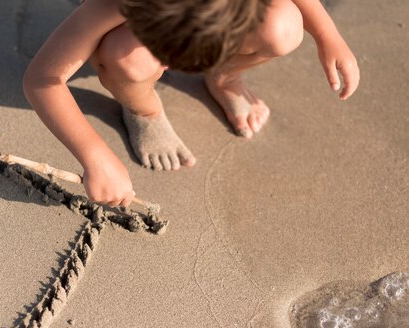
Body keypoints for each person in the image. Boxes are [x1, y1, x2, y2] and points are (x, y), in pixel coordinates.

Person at [22, 0, 359, 208]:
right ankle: (143, 108)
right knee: (129, 59)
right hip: (124, 27)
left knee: (284, 27)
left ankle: (224, 77)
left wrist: (329, 35)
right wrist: (95, 156)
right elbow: (42, 79)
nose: (174, 68)